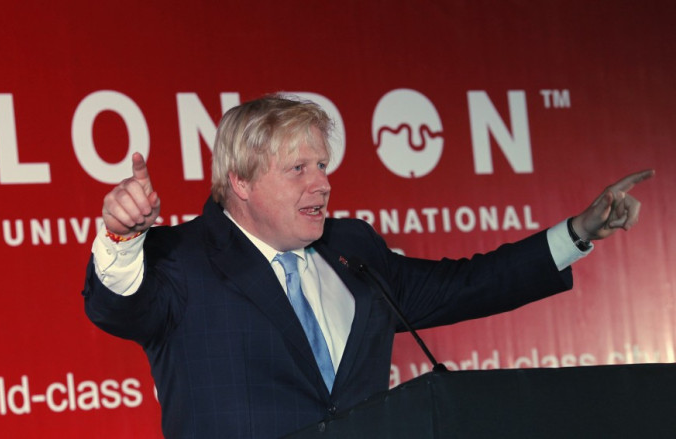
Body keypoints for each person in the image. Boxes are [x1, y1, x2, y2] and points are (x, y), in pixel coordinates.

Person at [82, 94, 654, 438]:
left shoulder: (351, 248)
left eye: (323, 164)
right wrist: (121, 234)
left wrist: (577, 233)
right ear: (241, 182)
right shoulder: (181, 261)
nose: (323, 183)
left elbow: (463, 285)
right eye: (299, 168)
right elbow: (117, 306)